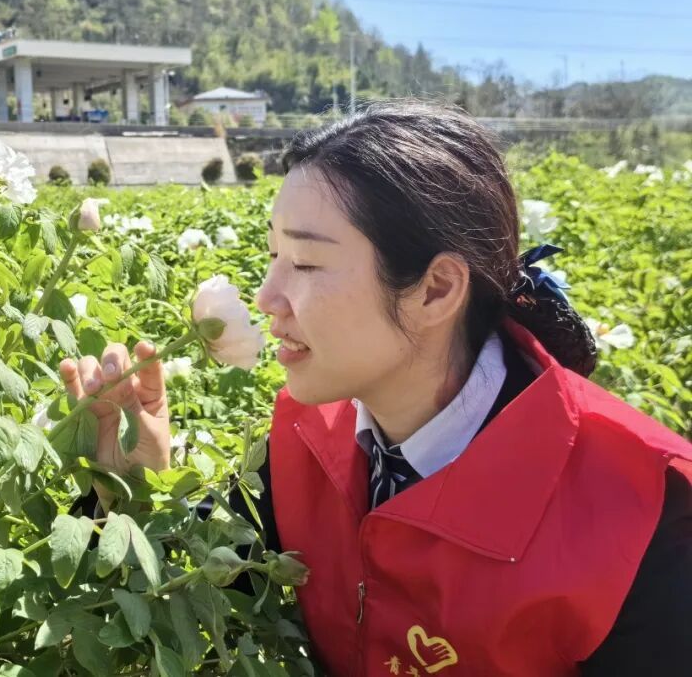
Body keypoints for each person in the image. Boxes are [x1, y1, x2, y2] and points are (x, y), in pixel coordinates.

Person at [59, 101, 692, 676]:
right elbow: (198, 588)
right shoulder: (307, 436)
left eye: (306, 263)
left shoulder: (645, 509)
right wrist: (131, 490)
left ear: (436, 290)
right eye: (273, 255)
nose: (266, 298)